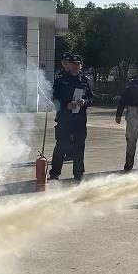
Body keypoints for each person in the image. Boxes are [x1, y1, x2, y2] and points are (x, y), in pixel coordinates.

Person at [48, 54, 93, 182]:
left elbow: (91, 98)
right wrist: (65, 104)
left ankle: (78, 173)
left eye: (77, 64)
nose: (75, 66)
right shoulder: (61, 80)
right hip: (65, 118)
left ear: (81, 66)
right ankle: (55, 173)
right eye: (73, 64)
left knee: (79, 146)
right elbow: (54, 97)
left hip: (79, 119)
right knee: (62, 145)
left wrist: (84, 102)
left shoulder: (85, 80)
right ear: (69, 65)